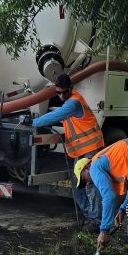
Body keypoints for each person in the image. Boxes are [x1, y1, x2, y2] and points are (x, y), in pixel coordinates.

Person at [31, 73, 104, 229]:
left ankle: (96, 220)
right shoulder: (69, 102)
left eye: (65, 91)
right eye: (59, 92)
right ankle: (88, 216)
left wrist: (32, 122)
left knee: (89, 184)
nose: (62, 95)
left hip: (91, 148)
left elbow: (56, 115)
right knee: (78, 184)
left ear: (71, 88)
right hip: (83, 149)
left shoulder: (74, 103)